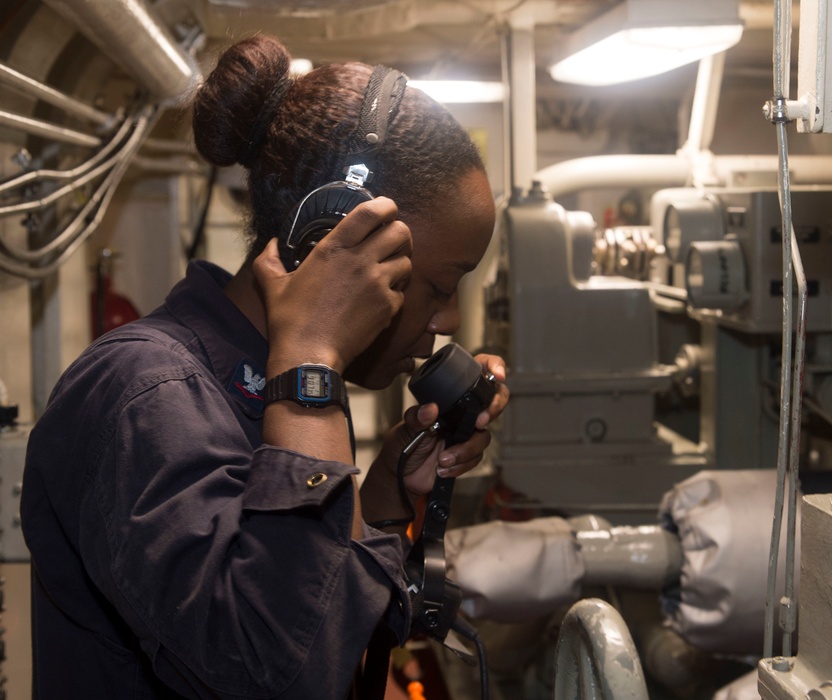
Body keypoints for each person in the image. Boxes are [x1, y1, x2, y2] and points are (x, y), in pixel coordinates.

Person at [21, 34, 508, 699]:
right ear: (331, 239)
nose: (448, 320)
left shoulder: (274, 394)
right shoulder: (142, 394)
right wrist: (311, 364)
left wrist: (387, 497)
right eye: (442, 284)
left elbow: (329, 635)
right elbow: (280, 674)